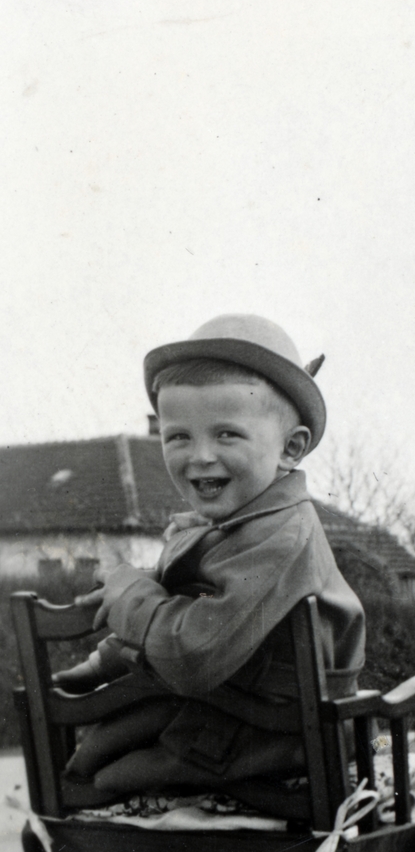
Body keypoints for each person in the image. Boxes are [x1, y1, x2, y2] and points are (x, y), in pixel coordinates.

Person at [55, 314, 365, 798]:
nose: (199, 456)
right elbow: (176, 605)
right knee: (89, 760)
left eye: (226, 435)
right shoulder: (229, 526)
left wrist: (130, 592)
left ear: (291, 447)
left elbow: (192, 653)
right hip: (230, 702)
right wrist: (107, 658)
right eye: (179, 436)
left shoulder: (280, 537)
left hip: (289, 729)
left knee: (105, 781)